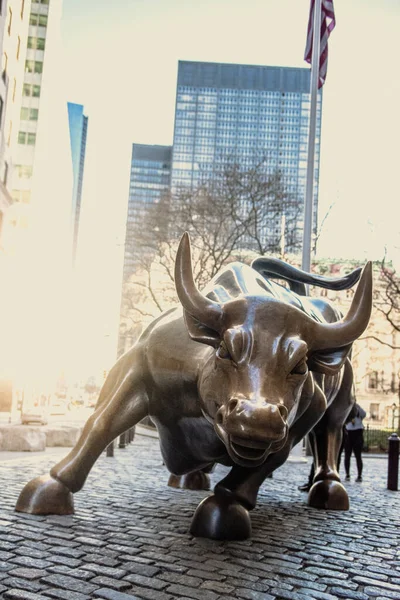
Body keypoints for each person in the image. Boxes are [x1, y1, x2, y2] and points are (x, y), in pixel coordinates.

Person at [344, 402, 366, 482]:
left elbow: (364, 414)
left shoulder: (358, 410)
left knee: (358, 456)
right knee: (347, 456)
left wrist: (356, 406)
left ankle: (359, 475)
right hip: (348, 433)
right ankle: (347, 474)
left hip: (357, 433)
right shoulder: (347, 408)